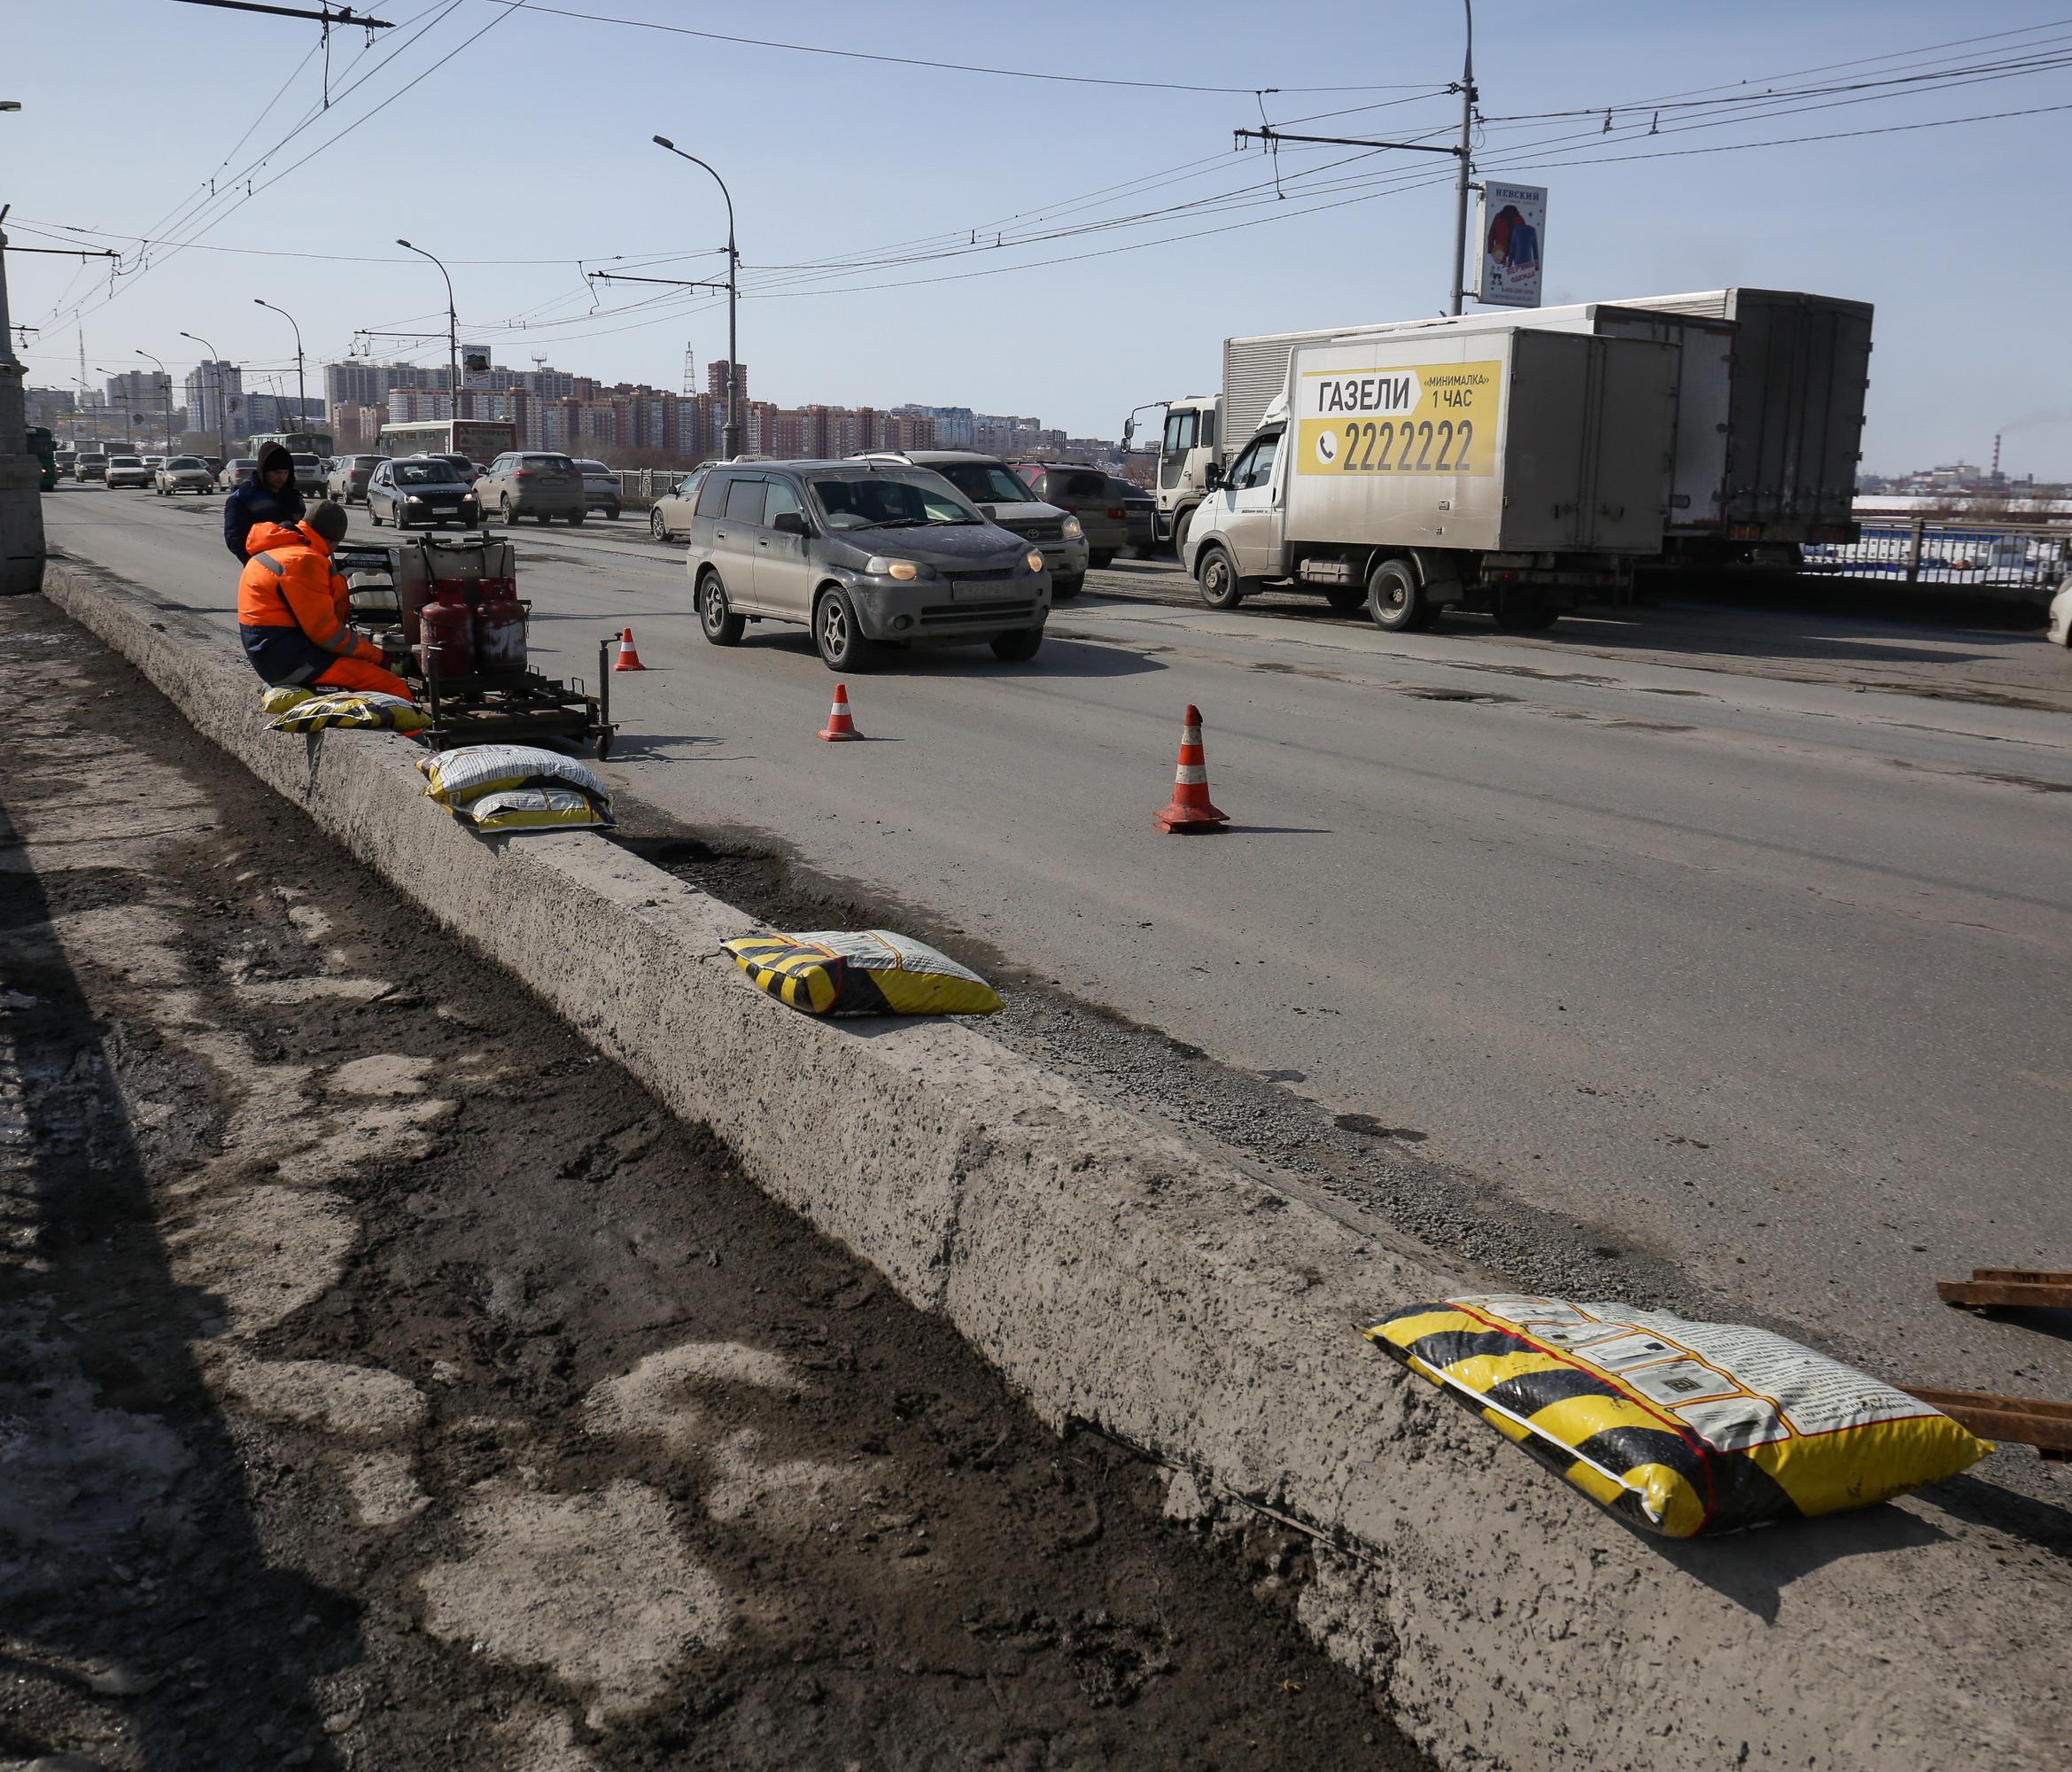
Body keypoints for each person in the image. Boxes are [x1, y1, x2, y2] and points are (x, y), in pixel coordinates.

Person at [237, 501, 413, 699]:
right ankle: (414, 730)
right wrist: (379, 657)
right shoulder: (304, 561)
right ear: (334, 541)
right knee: (393, 687)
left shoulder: (277, 549)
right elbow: (327, 634)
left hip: (272, 653)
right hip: (292, 662)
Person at [224, 442, 307, 562]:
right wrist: (259, 562)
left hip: (295, 565)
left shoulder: (294, 497)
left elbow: (305, 530)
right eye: (277, 473)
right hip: (262, 568)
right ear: (264, 471)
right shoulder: (243, 497)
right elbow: (235, 539)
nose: (282, 477)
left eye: (285, 473)